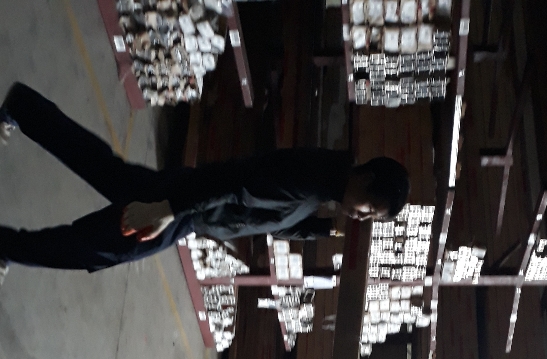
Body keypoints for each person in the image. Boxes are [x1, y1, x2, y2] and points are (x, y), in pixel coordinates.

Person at [0, 82, 410, 283]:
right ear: (366, 177)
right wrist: (166, 210)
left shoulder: (322, 190)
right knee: (99, 247)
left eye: (371, 217)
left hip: (186, 206)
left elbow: (279, 222)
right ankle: (8, 247)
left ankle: (24, 107)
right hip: (185, 209)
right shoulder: (310, 181)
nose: (363, 217)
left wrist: (323, 229)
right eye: (370, 208)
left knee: (103, 169)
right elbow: (232, 183)